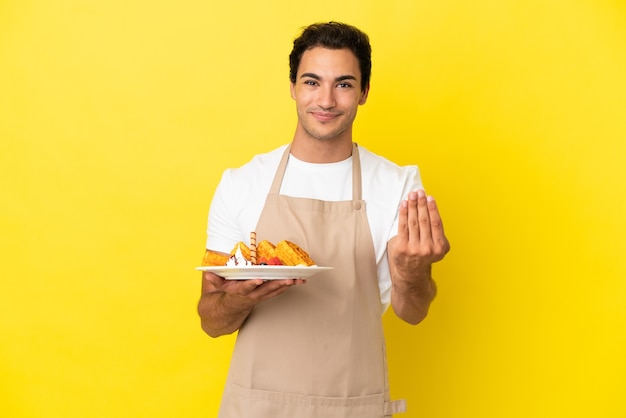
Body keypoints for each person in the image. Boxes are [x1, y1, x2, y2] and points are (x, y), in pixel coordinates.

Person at [197, 21, 450, 418]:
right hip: (257, 405)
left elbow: (412, 312)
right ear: (294, 88)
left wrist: (413, 270)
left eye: (344, 84)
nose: (326, 100)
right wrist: (235, 298)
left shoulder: (399, 184)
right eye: (312, 82)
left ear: (364, 92)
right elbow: (211, 321)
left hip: (353, 404)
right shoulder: (242, 182)